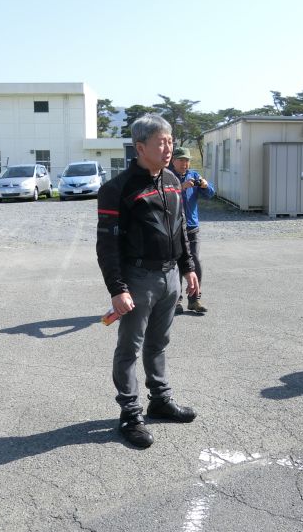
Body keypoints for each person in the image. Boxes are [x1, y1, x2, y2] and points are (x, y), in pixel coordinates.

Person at [96, 114, 200, 449]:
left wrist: (188, 268)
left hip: (170, 277)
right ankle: (130, 413)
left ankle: (160, 400)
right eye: (160, 142)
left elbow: (180, 228)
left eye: (170, 141)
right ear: (140, 147)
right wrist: (118, 289)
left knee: (159, 343)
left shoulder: (171, 180)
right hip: (137, 279)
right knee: (129, 348)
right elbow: (107, 244)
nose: (168, 148)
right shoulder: (117, 189)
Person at [169, 146, 215, 314]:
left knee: (195, 262)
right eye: (181, 160)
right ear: (173, 160)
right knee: (175, 264)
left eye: (187, 160)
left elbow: (210, 194)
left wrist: (205, 186)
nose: (185, 163)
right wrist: (180, 187)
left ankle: (194, 300)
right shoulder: (166, 175)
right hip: (173, 227)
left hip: (192, 227)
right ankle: (176, 301)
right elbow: (161, 195)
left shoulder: (194, 175)